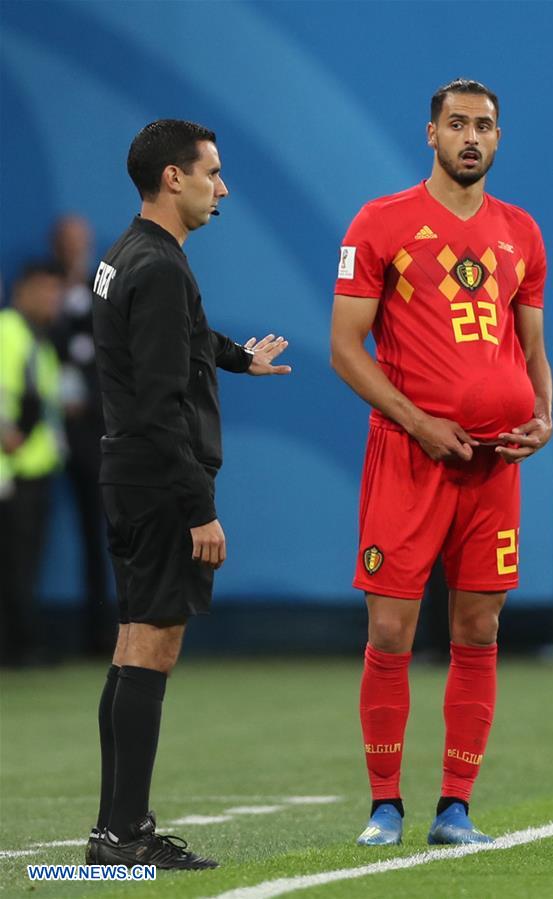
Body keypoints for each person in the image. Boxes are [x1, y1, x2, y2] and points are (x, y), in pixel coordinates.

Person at [331, 79, 553, 846]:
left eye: (483, 125)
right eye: (455, 123)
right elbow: (343, 348)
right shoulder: (380, 222)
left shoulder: (520, 231)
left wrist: (543, 416)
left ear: (497, 138)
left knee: (479, 625)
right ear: (429, 134)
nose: (470, 137)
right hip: (406, 457)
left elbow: (530, 348)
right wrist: (417, 421)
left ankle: (454, 807)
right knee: (391, 628)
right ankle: (383, 806)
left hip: (494, 466)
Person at [89, 119, 291, 870]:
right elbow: (160, 401)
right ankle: (123, 838)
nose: (223, 187)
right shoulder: (164, 266)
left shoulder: (128, 253)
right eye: (212, 172)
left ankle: (116, 829)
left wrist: (237, 358)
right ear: (173, 177)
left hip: (128, 475)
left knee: (131, 646)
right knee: (151, 646)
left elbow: (175, 338)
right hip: (158, 483)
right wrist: (199, 505)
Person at [50, 214, 113, 654]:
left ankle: (106, 635)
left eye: (80, 239)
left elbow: (113, 343)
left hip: (96, 429)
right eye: (66, 240)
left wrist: (88, 395)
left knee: (108, 532)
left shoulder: (103, 284)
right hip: (49, 429)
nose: (74, 246)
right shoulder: (41, 286)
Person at [0, 263, 64, 666]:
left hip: (34, 466)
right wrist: (10, 434)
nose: (52, 301)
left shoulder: (36, 336)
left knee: (23, 562)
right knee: (15, 564)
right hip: (14, 468)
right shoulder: (9, 331)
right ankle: (19, 647)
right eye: (46, 291)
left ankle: (20, 643)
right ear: (24, 290)